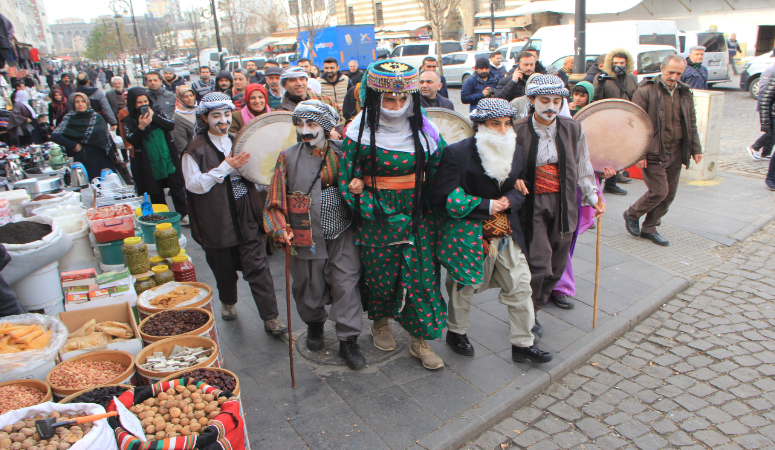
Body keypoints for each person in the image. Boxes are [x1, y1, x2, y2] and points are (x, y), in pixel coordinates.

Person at [339, 60, 448, 370]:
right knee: (381, 274)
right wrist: (371, 205)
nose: (397, 106)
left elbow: (442, 168)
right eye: (389, 99)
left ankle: (419, 339)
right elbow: (347, 180)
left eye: (403, 99)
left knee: (423, 277)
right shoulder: (357, 132)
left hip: (419, 213)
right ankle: (381, 323)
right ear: (375, 97)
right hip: (377, 215)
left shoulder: (426, 128)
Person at [432, 98, 552, 364]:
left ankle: (523, 344)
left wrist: (510, 200)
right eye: (495, 124)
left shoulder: (517, 151)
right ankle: (456, 332)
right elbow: (443, 196)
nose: (502, 130)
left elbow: (520, 187)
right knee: (462, 288)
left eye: (507, 124)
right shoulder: (457, 153)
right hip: (469, 236)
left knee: (521, 287)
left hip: (507, 234)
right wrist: (487, 205)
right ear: (480, 126)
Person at [264, 100, 365, 369]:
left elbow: (368, 180)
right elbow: (274, 200)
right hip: (303, 234)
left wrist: (361, 183)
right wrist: (278, 227)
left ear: (326, 126)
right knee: (308, 285)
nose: (305, 130)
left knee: (346, 283)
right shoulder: (287, 156)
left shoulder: (345, 152)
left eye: (312, 124)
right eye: (300, 125)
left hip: (342, 230)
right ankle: (315, 326)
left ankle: (348, 339)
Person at [181, 92, 286, 333]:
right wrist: (226, 167)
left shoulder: (238, 140)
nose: (223, 121)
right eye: (216, 116)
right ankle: (228, 301)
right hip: (215, 217)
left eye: (227, 115)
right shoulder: (194, 149)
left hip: (246, 211)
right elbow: (194, 185)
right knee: (223, 267)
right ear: (205, 118)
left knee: (258, 266)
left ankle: (271, 318)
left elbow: (255, 176)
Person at [513, 74, 602, 338]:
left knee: (558, 262)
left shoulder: (572, 127)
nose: (551, 106)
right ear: (531, 100)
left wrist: (592, 196)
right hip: (531, 204)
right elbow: (502, 166)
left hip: (564, 202)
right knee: (539, 262)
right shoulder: (516, 129)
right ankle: (529, 312)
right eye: (544, 100)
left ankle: (537, 305)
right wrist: (513, 180)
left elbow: (583, 165)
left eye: (556, 100)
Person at [624, 55, 702, 246]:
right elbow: (635, 124)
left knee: (669, 194)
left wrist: (696, 148)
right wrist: (639, 154)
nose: (674, 77)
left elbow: (691, 122)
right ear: (662, 69)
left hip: (676, 150)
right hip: (653, 151)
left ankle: (650, 227)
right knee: (659, 191)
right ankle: (632, 213)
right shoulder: (646, 91)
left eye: (678, 73)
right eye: (671, 72)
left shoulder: (684, 92)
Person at [123, 87, 189, 225]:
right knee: (155, 190)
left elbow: (170, 125)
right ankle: (162, 217)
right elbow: (132, 140)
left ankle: (183, 214)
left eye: (145, 101)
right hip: (148, 162)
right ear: (132, 103)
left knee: (176, 186)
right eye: (139, 102)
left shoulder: (157, 111)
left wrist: (154, 117)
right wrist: (141, 126)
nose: (143, 104)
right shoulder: (128, 121)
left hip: (167, 156)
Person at [593, 48, 638, 196]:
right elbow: (596, 98)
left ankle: (612, 183)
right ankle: (598, 182)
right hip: (607, 121)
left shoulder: (631, 78)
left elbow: (635, 96)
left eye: (622, 63)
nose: (619, 65)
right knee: (604, 152)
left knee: (619, 152)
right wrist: (600, 83)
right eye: (616, 63)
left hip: (625, 120)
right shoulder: (603, 77)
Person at [51, 92, 118, 180]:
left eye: (83, 101)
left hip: (103, 156)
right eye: (77, 102)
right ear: (73, 105)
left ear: (87, 103)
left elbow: (106, 137)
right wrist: (74, 145)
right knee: (90, 185)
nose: (80, 104)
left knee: (107, 184)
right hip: (85, 157)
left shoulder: (97, 117)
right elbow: (55, 136)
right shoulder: (69, 118)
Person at [276, 67, 344, 123]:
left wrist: (333, 131)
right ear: (284, 85)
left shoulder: (323, 100)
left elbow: (340, 118)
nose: (299, 83)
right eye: (292, 80)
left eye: (302, 79)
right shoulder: (283, 110)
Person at [750, 62, 775, 160]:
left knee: (772, 132)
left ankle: (766, 152)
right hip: (770, 109)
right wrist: (764, 119)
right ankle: (755, 147)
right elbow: (765, 96)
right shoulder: (771, 71)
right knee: (771, 131)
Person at [172, 85, 198, 156]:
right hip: (191, 154)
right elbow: (181, 143)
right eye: (186, 96)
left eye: (191, 95)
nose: (190, 98)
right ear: (180, 98)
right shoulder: (178, 116)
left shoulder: (199, 110)